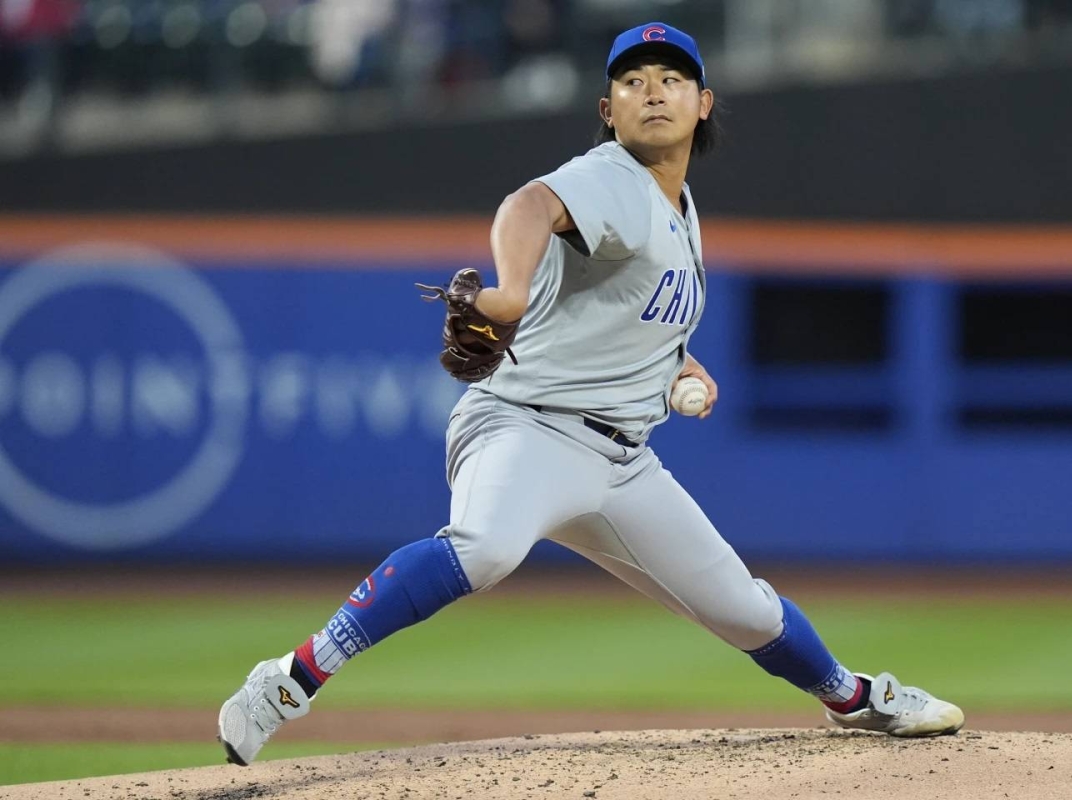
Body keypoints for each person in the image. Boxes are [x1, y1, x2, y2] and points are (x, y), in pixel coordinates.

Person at [217, 21, 964, 767]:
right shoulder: (614, 179)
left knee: (743, 608)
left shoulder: (678, 207)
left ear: (703, 103)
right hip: (526, 427)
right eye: (632, 82)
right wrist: (509, 288)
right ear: (608, 111)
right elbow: (529, 205)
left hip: (622, 463)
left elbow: (623, 312)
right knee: (484, 548)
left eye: (670, 79)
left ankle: (853, 696)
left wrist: (677, 362)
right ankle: (288, 680)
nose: (652, 92)